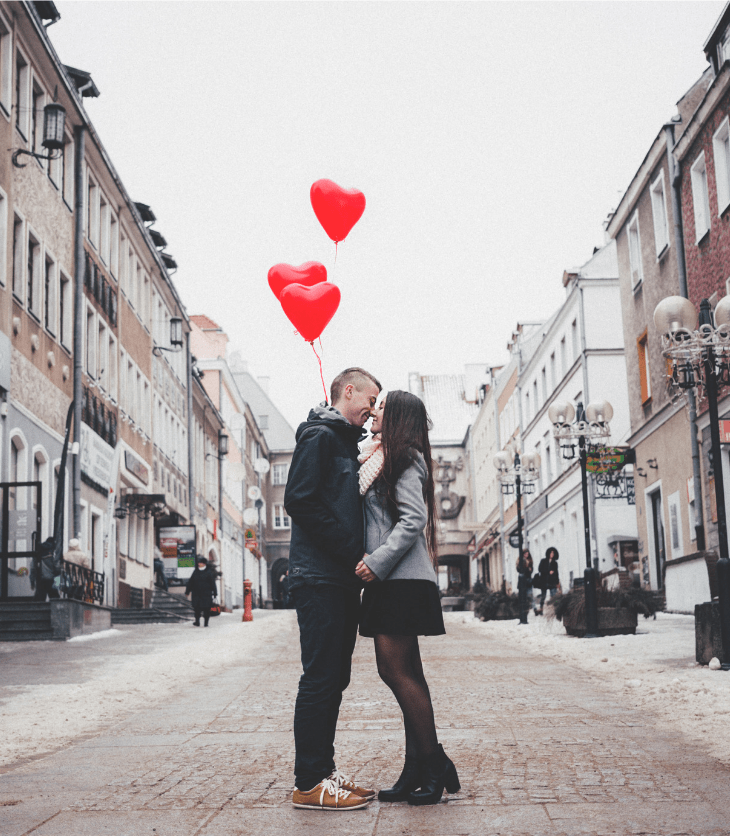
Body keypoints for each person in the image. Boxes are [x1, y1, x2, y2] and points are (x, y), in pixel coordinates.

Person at [356, 390, 460, 806]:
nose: (373, 412)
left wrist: (376, 562)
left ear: (397, 416)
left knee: (397, 674)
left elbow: (413, 518)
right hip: (393, 579)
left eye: (381, 407)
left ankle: (433, 764)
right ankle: (418, 765)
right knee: (406, 674)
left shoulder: (405, 458)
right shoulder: (379, 457)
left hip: (399, 579)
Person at [285, 367, 381, 811]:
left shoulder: (344, 442)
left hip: (337, 577)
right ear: (348, 391)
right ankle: (309, 782)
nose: (373, 410)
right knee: (321, 678)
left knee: (333, 678)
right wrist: (350, 551)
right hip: (320, 576)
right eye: (370, 399)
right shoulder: (320, 437)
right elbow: (299, 500)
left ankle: (324, 772)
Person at [185, 557, 217, 626]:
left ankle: (206, 623)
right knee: (196, 608)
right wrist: (187, 591)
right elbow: (191, 582)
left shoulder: (209, 572)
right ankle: (197, 622)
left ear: (204, 564)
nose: (199, 564)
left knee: (206, 609)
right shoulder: (196, 571)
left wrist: (215, 593)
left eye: (201, 563)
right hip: (196, 594)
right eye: (199, 563)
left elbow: (213, 583)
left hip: (206, 594)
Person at [33, 537, 61, 601]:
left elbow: (33, 567)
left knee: (40, 598)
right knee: (55, 598)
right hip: (51, 579)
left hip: (41, 578)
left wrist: (32, 579)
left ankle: (39, 610)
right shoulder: (53, 553)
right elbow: (57, 567)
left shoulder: (39, 551)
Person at [536, 546, 561, 615]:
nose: (552, 555)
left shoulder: (555, 563)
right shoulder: (543, 561)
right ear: (548, 553)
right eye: (551, 553)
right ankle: (541, 609)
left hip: (552, 582)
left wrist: (557, 582)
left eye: (553, 553)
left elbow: (556, 573)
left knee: (554, 596)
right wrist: (548, 572)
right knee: (543, 596)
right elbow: (540, 569)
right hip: (544, 582)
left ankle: (555, 609)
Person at [516, 549, 533, 624]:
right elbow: (520, 570)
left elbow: (530, 570)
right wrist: (527, 569)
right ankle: (522, 619)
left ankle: (525, 617)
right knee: (523, 600)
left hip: (527, 582)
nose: (526, 555)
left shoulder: (529, 561)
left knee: (528, 597)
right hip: (523, 583)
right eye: (525, 554)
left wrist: (529, 570)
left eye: (527, 554)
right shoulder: (520, 561)